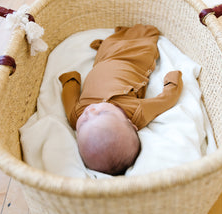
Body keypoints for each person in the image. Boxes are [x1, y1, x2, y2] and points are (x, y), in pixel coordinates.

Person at [59, 24, 183, 176]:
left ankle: (109, 42)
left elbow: (69, 96)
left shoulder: (76, 115)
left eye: (83, 123)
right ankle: (127, 36)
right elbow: (165, 101)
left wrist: (70, 80)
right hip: (134, 61)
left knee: (109, 44)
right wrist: (172, 81)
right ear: (131, 124)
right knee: (146, 39)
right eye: (101, 113)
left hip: (104, 60)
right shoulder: (137, 113)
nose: (90, 111)